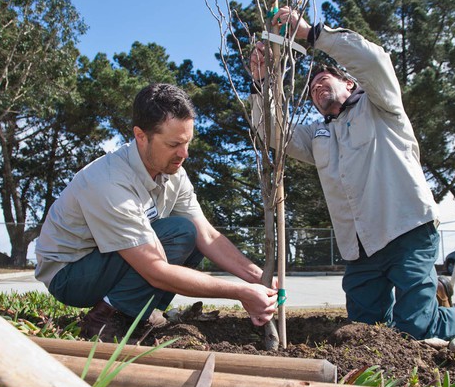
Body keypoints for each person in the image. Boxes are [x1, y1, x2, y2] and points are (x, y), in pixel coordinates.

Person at [248, 7, 455, 340]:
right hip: (361, 251)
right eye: (311, 89)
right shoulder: (318, 136)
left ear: (349, 82)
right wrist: (261, 82)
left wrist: (311, 34)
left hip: (407, 231)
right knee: (364, 334)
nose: (316, 88)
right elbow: (272, 131)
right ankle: (434, 300)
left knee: (415, 331)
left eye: (323, 80)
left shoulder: (381, 105)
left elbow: (375, 62)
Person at [35, 83, 277, 340]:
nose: (184, 154)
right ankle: (104, 320)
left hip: (108, 259)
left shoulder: (174, 173)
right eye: (174, 144)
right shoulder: (109, 181)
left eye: (187, 142)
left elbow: (206, 235)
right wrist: (240, 293)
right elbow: (155, 270)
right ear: (141, 136)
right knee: (180, 231)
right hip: (71, 273)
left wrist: (258, 277)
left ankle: (140, 313)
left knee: (192, 234)